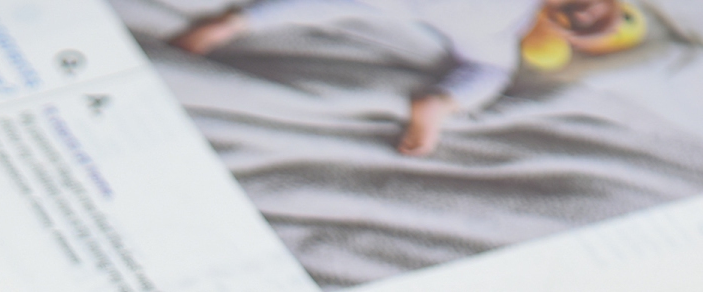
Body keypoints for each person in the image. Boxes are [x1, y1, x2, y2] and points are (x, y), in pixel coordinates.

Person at [113, 0, 636, 155]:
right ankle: (232, 23)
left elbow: (489, 73)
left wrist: (439, 104)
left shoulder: (502, 34)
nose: (586, 14)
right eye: (594, 6)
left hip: (434, 16)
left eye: (587, 25)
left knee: (333, 4)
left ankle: (232, 24)